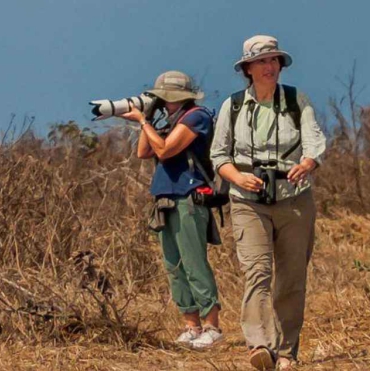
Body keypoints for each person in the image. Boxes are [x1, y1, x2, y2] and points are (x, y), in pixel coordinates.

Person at [210, 36, 327, 371]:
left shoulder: (295, 99)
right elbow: (219, 154)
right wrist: (237, 177)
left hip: (294, 198)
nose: (270, 67)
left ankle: (288, 351)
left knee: (291, 277)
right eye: (262, 61)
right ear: (248, 68)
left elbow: (314, 138)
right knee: (257, 272)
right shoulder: (232, 106)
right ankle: (260, 346)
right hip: (247, 200)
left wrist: (308, 163)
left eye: (274, 60)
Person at [121, 70, 224, 350]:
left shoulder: (196, 116)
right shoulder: (165, 120)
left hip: (188, 199)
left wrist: (143, 120)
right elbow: (144, 152)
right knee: (174, 266)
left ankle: (212, 326)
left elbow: (165, 150)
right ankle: (192, 326)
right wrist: (149, 119)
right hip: (164, 200)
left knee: (193, 263)